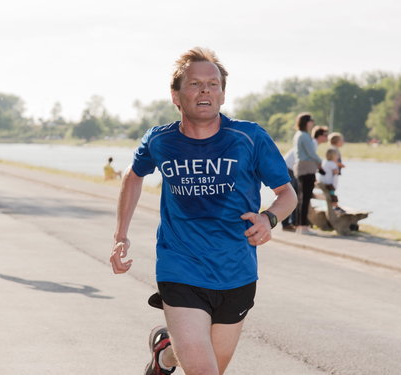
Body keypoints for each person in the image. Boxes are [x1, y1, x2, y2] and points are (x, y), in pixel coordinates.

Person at [110, 47, 297, 375]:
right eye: (195, 84)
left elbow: (287, 194)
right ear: (176, 95)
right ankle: (170, 352)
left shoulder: (248, 138)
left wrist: (269, 219)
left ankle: (164, 355)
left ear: (223, 95)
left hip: (236, 271)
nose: (206, 90)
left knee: (207, 364)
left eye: (214, 84)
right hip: (180, 268)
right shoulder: (160, 141)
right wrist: (121, 235)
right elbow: (134, 174)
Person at [292, 113, 322, 235]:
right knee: (306, 198)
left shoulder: (298, 135)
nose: (313, 123)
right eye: (311, 121)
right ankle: (303, 226)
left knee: (302, 198)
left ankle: (300, 225)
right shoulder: (304, 136)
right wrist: (320, 163)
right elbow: (312, 153)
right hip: (307, 168)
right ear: (306, 122)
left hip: (300, 167)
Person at [281, 148, 297, 231]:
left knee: (290, 195)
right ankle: (286, 223)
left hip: (288, 167)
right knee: (288, 195)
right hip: (288, 169)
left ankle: (290, 222)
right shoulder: (312, 143)